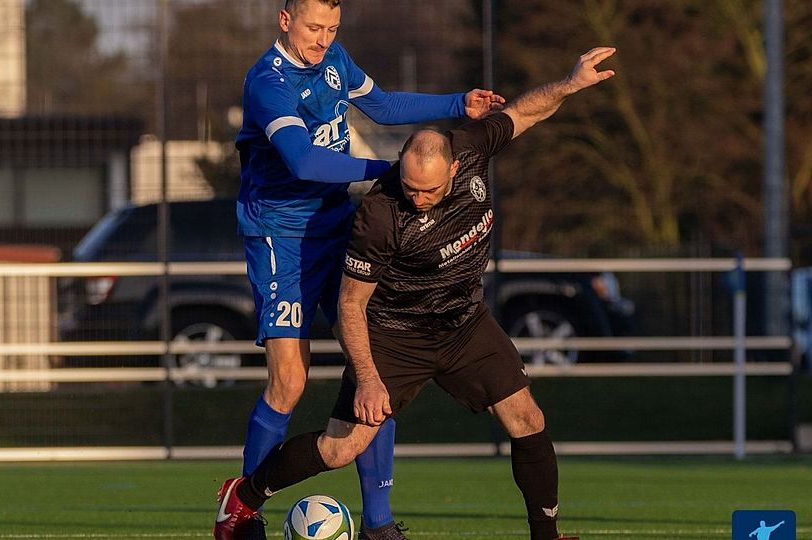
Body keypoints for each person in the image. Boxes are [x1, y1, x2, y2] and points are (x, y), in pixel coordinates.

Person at [214, 46, 618, 540]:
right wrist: (368, 380)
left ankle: (546, 536)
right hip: (398, 334)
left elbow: (523, 111)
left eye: (427, 191)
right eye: (408, 186)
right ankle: (246, 497)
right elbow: (351, 304)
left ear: (454, 168)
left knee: (527, 417)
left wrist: (570, 84)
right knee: (341, 448)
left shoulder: (472, 147)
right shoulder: (380, 215)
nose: (417, 198)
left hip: (464, 323)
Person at [217, 0, 504, 538]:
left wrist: (456, 105)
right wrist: (392, 171)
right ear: (285, 21)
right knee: (290, 382)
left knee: (379, 368)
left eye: (331, 28)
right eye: (312, 27)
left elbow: (385, 105)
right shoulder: (267, 83)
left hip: (338, 227)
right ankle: (241, 510)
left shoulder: (335, 60)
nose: (323, 39)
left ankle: (378, 524)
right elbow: (304, 162)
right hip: (282, 238)